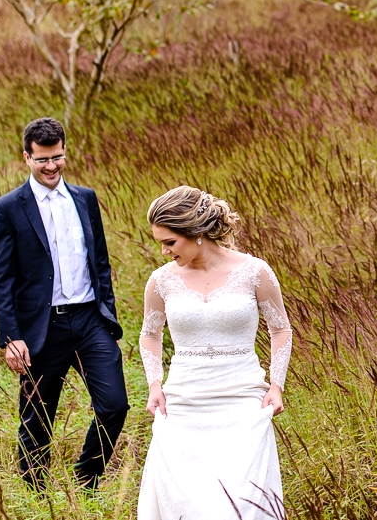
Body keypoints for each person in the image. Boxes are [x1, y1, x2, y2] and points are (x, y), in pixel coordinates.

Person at [0, 117, 128, 490]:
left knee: (114, 406)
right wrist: (10, 337)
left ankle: (85, 479)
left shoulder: (86, 198)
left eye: (58, 157)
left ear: (65, 152)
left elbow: (100, 263)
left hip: (89, 320)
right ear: (26, 157)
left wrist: (109, 320)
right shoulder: (7, 208)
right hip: (40, 328)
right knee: (37, 420)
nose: (51, 166)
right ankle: (37, 496)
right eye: (42, 159)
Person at [138, 185, 293, 519]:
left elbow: (280, 328)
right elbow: (149, 335)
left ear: (195, 232)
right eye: (160, 243)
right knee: (185, 501)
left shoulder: (255, 271)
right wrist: (155, 386)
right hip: (183, 403)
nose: (164, 251)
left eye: (170, 242)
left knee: (239, 502)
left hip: (242, 402)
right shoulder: (160, 281)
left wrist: (277, 386)